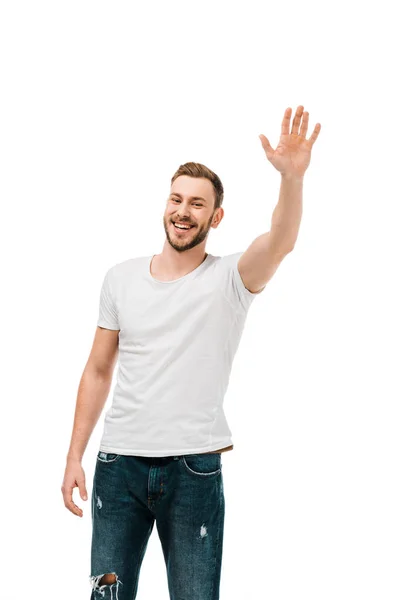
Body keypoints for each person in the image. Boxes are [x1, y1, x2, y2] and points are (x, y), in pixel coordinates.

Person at [61, 106, 321, 599]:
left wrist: (292, 179)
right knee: (106, 596)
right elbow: (97, 370)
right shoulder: (120, 278)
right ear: (165, 204)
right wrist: (75, 455)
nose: (183, 211)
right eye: (177, 199)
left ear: (215, 216)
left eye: (198, 204)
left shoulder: (232, 279)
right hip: (119, 467)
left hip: (194, 470)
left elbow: (282, 240)